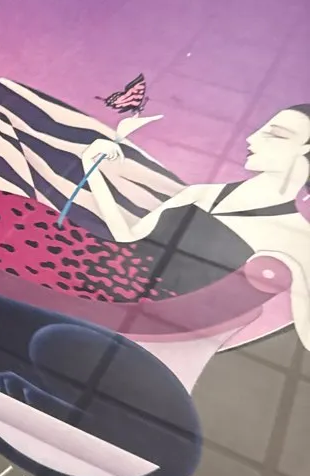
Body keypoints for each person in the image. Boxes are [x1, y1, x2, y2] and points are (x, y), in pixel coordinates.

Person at [81, 106, 310, 354]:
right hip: (100, 291)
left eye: (275, 134)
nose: (251, 138)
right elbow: (127, 238)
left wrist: (296, 268)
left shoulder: (297, 236)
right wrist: (90, 167)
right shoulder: (200, 193)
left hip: (152, 334)